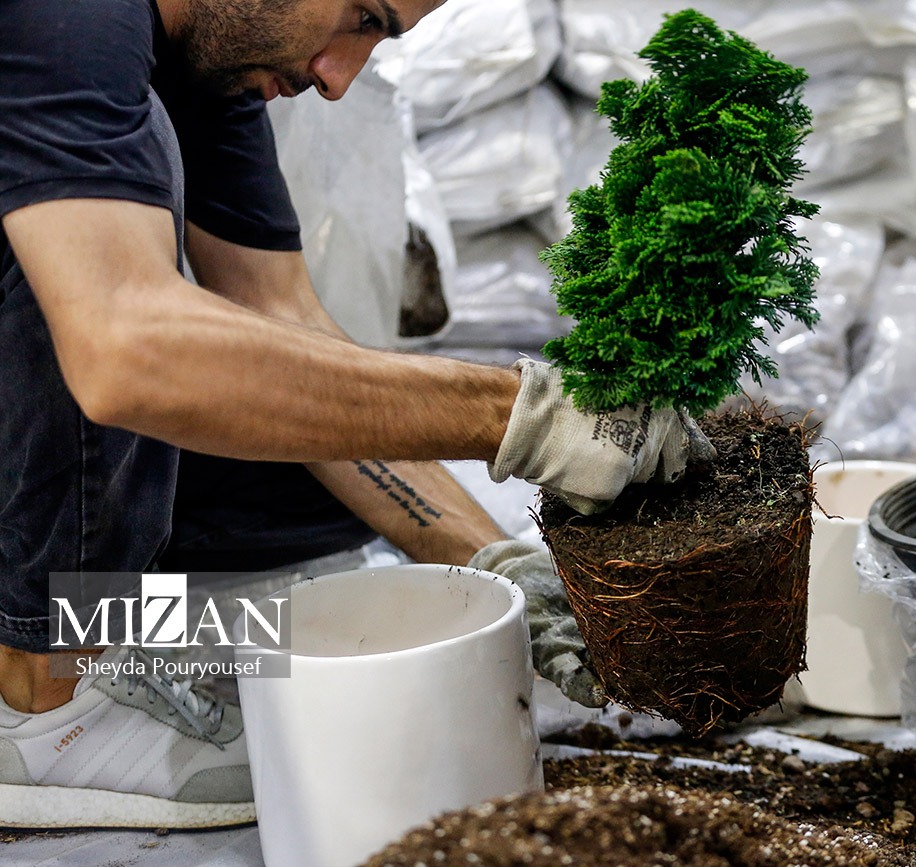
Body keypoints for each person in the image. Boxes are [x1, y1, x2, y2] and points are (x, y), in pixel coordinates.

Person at [0, 0, 712, 829]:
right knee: (98, 252)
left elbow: (283, 322)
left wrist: (493, 560)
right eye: (362, 16)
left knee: (270, 412)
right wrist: (521, 417)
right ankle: (41, 702)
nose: (339, 79)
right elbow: (125, 347)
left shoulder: (209, 66)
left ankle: (79, 646)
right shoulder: (63, 20)